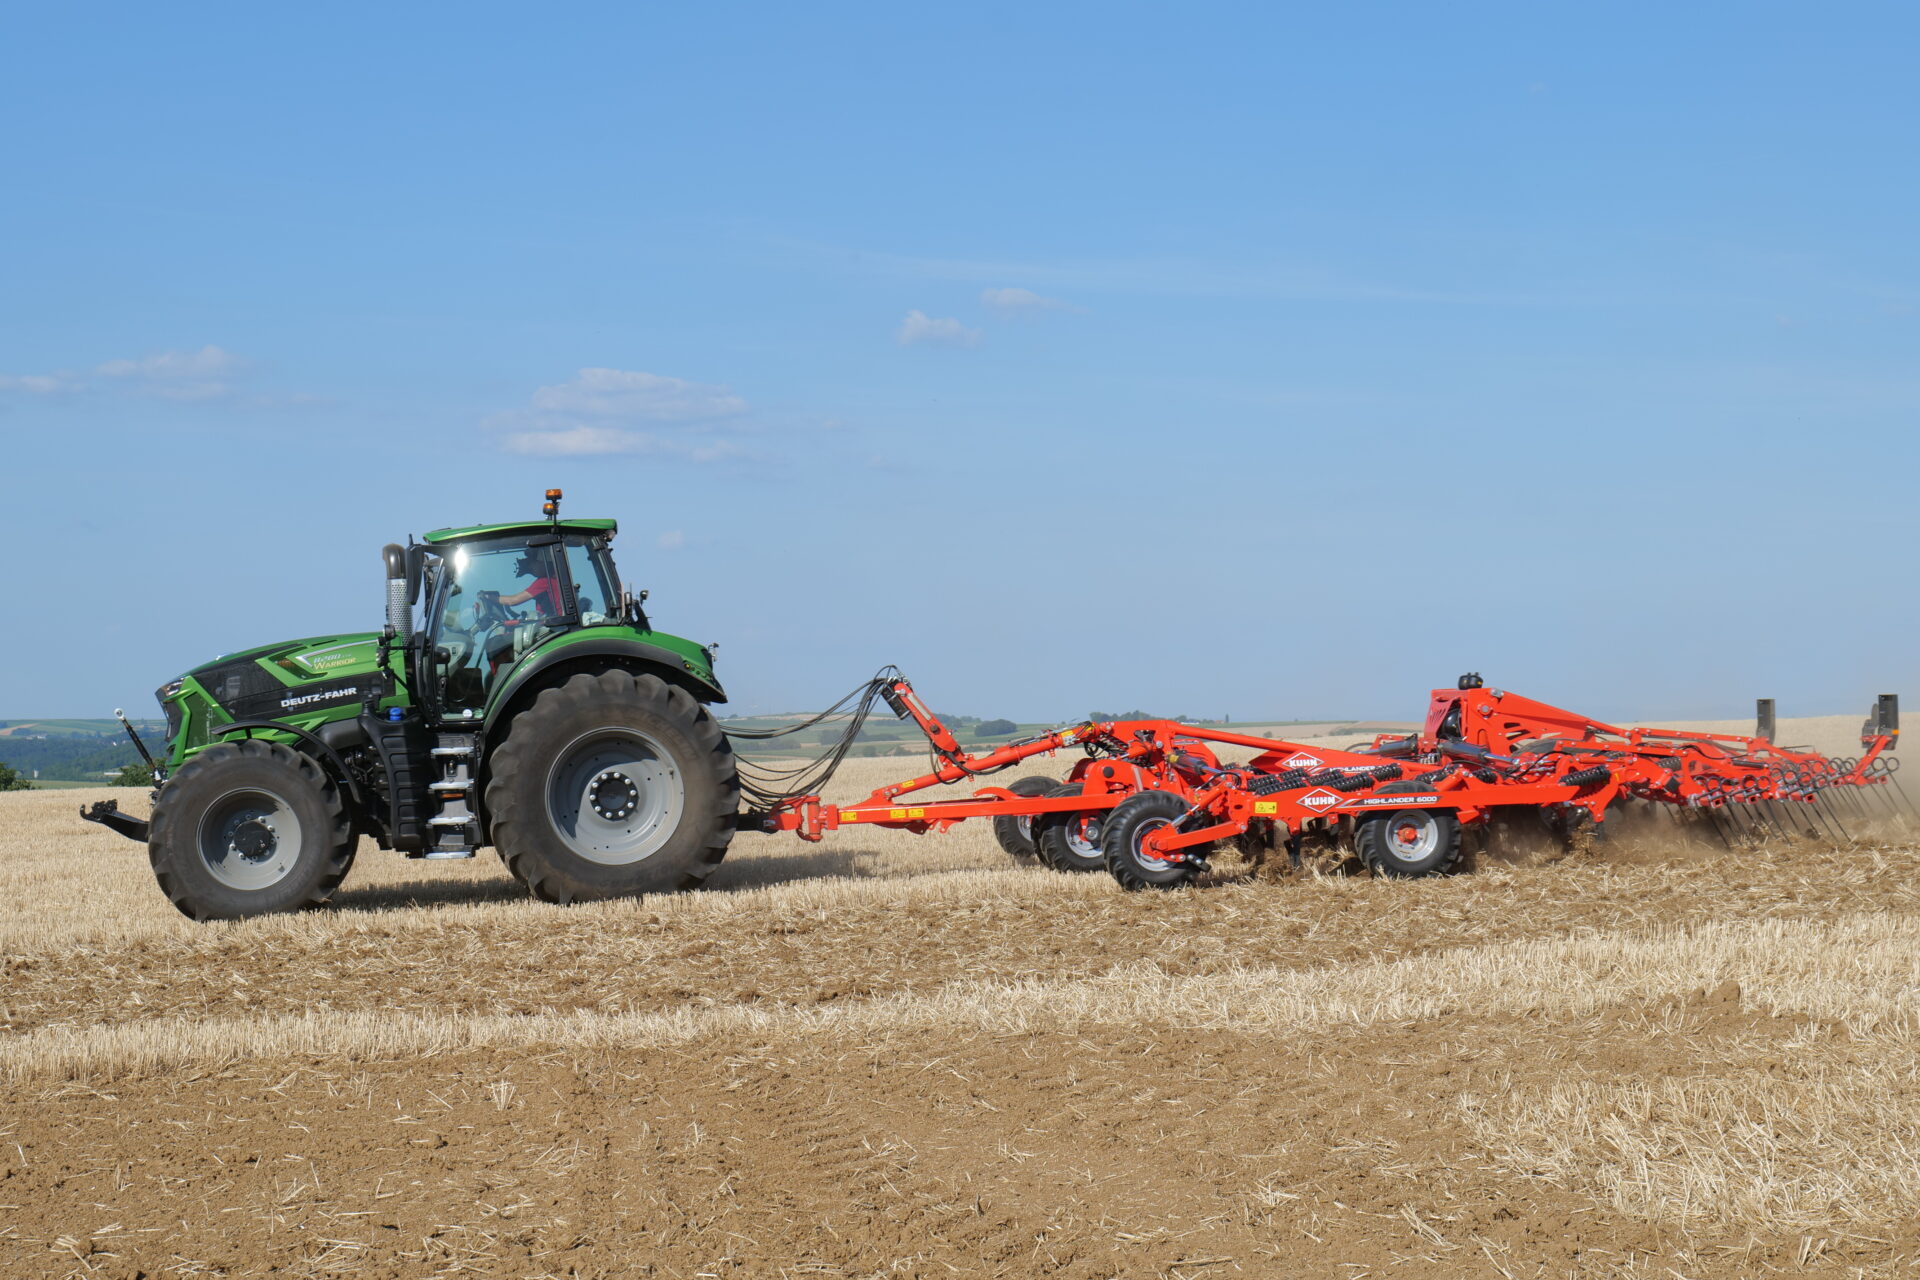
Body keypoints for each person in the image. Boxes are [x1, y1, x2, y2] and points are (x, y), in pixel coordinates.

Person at [498, 552, 563, 617]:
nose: (532, 572)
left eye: (531, 567)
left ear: (541, 561)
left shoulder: (544, 581)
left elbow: (513, 601)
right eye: (529, 571)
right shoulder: (555, 577)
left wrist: (493, 598)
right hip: (554, 620)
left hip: (557, 622)